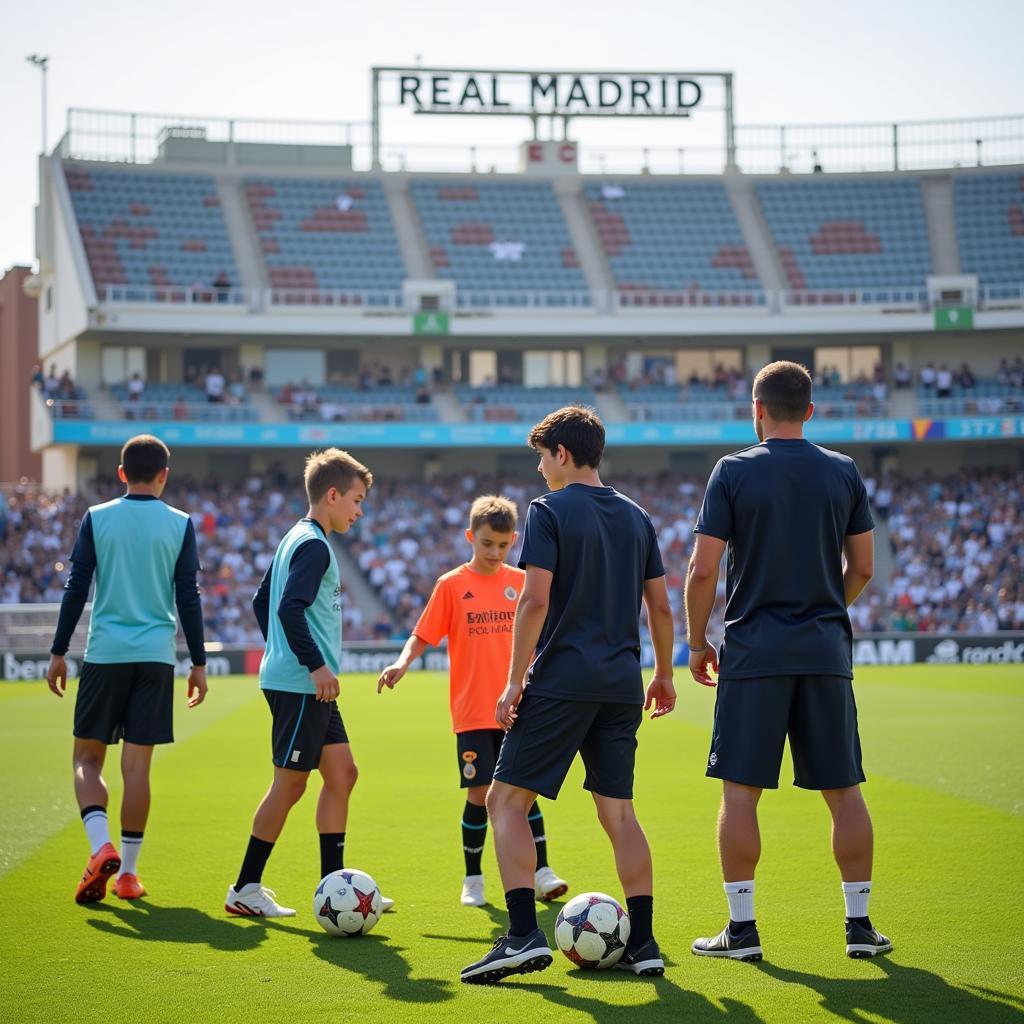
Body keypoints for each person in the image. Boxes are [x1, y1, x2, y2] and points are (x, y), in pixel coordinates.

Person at [459, 406, 677, 984]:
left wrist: (512, 682)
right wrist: (663, 672)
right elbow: (659, 604)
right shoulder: (637, 517)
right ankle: (646, 942)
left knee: (502, 802)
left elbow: (533, 602)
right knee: (620, 814)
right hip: (622, 684)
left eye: (541, 456)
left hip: (561, 682)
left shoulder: (549, 510)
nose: (538, 468)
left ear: (562, 453)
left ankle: (523, 936)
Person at [684, 360, 890, 962]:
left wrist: (697, 644)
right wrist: (827, 609)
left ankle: (742, 932)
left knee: (741, 793)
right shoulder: (843, 471)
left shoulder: (732, 471)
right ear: (810, 411)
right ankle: (858, 927)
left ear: (757, 411)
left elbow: (701, 570)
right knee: (844, 792)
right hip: (824, 649)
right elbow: (865, 568)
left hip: (755, 650)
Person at [377, 495, 569, 909]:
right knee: (479, 795)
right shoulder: (451, 585)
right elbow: (423, 633)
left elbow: (547, 630)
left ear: (513, 540)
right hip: (473, 711)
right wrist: (402, 662)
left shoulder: (521, 583)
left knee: (524, 792)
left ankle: (542, 872)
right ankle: (473, 878)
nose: (495, 553)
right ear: (470, 537)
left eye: (503, 545)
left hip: (518, 708)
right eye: (486, 544)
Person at [225, 448, 393, 918]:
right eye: (356, 500)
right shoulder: (314, 544)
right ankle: (245, 887)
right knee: (290, 785)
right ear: (332, 495)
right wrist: (311, 664)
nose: (360, 511)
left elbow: (263, 602)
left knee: (343, 774)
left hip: (304, 682)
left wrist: (285, 654)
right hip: (304, 684)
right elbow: (284, 608)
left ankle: (334, 887)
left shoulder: (299, 537)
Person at [46, 434, 207, 904]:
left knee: (86, 760)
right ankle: (129, 875)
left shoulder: (97, 518)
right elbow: (188, 596)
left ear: (120, 474)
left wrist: (58, 652)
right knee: (137, 768)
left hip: (105, 654)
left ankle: (101, 848)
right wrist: (198, 662)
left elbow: (76, 588)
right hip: (156, 657)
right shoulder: (180, 523)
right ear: (164, 476)